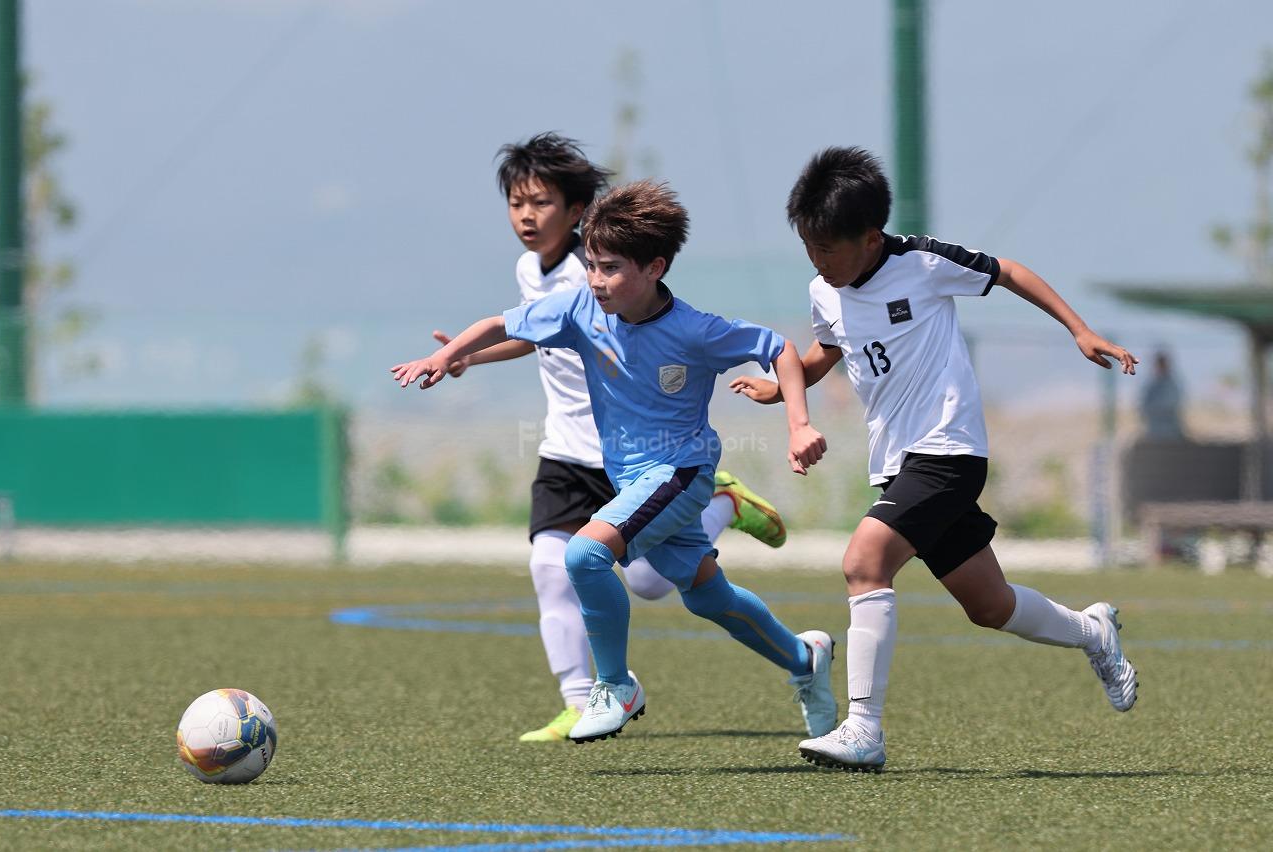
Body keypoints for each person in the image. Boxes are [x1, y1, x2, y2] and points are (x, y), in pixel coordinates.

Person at [730, 147, 1140, 772]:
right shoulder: (824, 291)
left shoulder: (921, 263)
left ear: (871, 238)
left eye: (828, 248)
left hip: (948, 450)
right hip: (898, 463)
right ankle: (1093, 631)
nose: (817, 260)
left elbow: (1008, 271)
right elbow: (826, 352)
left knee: (864, 561)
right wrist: (780, 390)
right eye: (808, 246)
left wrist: (1077, 329)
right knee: (989, 605)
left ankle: (863, 728)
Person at [392, 179, 837, 744]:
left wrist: (798, 424)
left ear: (655, 267)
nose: (596, 280)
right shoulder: (580, 307)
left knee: (584, 555)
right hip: (632, 478)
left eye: (610, 269)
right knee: (708, 597)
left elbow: (780, 349)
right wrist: (447, 355)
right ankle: (804, 657)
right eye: (591, 266)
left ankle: (615, 686)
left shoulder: (694, 330)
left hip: (681, 472)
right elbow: (500, 325)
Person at [1140, 350, 1185, 439]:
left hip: (1172, 430)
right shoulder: (1152, 384)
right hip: (1153, 430)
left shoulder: (1171, 384)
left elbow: (1172, 404)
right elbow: (1144, 406)